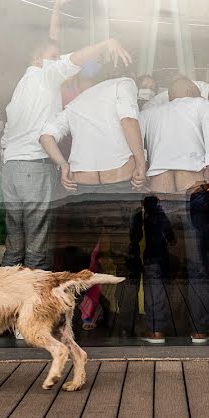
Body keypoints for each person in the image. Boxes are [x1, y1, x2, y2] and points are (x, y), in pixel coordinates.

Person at [0, 34, 131, 272]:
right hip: (33, 167)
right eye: (53, 57)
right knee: (37, 247)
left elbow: (7, 136)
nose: (57, 62)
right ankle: (37, 304)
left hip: (11, 169)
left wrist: (57, 10)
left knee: (14, 246)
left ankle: (5, 305)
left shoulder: (22, 86)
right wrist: (105, 43)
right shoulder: (46, 76)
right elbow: (72, 60)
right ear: (38, 58)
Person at [39, 62, 146, 336]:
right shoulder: (123, 84)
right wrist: (140, 161)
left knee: (78, 263)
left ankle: (68, 327)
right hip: (118, 184)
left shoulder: (77, 103)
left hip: (82, 188)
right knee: (125, 260)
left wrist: (63, 165)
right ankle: (126, 329)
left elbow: (46, 134)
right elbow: (128, 120)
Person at [136, 77, 209, 343]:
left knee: (155, 262)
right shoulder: (201, 105)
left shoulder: (149, 113)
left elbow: (137, 146)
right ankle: (199, 330)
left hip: (158, 193)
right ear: (190, 92)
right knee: (198, 263)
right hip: (193, 189)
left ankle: (155, 329)